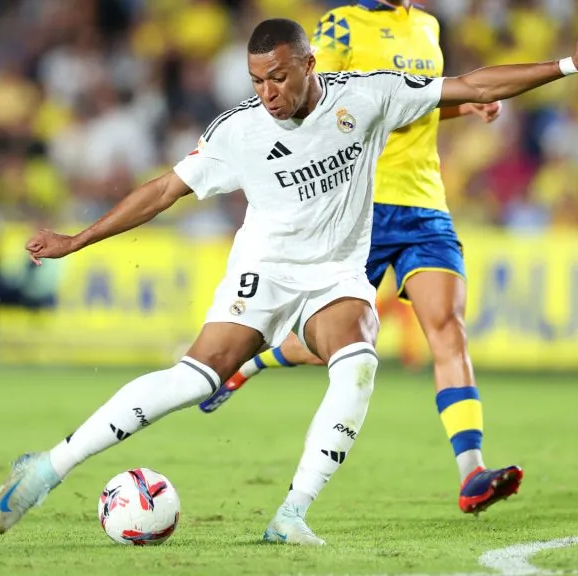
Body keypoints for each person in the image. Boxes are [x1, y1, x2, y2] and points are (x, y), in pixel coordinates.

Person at [0, 18, 578, 545]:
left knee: (359, 358)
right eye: (257, 80)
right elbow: (162, 191)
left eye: (279, 77)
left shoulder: (366, 97)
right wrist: (78, 239)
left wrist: (568, 65)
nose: (268, 92)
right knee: (194, 379)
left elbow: (471, 84)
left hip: (335, 275)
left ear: (310, 64)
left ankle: (291, 514)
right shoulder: (238, 131)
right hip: (264, 271)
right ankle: (49, 468)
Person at [197, 0, 517, 516]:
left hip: (424, 203)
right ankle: (253, 359)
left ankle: (471, 471)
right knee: (334, 341)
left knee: (447, 326)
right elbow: (315, 102)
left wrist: (466, 106)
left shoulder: (428, 26)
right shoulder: (343, 24)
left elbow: (417, 103)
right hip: (359, 204)